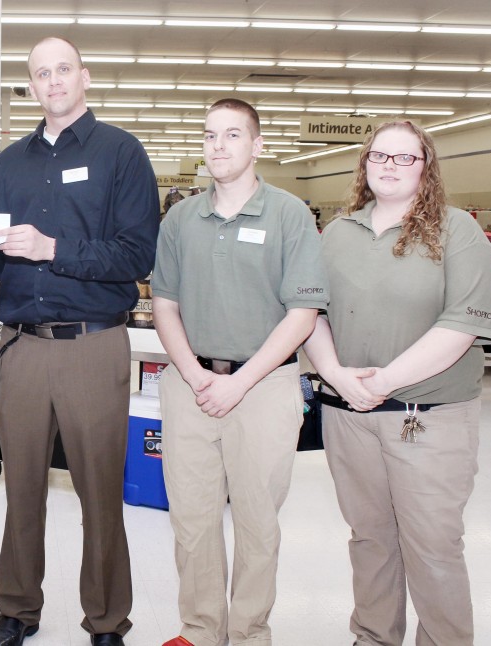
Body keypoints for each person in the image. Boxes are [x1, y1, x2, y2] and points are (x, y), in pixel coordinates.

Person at [0, 36, 159, 646]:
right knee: (20, 485)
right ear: (30, 86)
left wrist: (55, 248)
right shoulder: (10, 162)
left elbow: (137, 253)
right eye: (40, 73)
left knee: (100, 490)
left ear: (84, 76)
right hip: (22, 346)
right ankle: (18, 610)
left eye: (63, 70)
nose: (53, 81)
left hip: (92, 343)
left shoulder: (121, 154)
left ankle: (106, 619)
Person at [302, 121, 491, 646]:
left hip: (428, 420)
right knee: (370, 540)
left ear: (426, 167)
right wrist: (337, 375)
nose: (388, 166)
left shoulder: (457, 231)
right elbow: (311, 313)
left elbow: (461, 326)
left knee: (432, 546)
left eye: (404, 158)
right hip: (349, 416)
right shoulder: (339, 233)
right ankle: (372, 637)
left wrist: (383, 382)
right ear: (364, 164)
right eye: (378, 156)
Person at [151, 98, 328, 646]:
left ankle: (250, 633)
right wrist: (194, 373)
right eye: (209, 136)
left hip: (265, 385)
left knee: (257, 521)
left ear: (257, 145)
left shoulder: (289, 214)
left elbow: (303, 313)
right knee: (192, 519)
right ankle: (201, 630)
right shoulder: (181, 218)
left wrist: (239, 381)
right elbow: (164, 303)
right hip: (191, 384)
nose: (219, 147)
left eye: (232, 135)